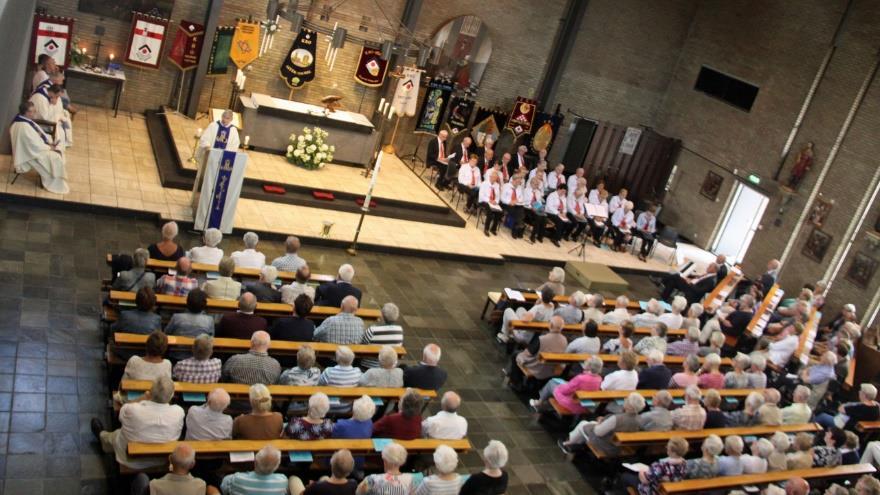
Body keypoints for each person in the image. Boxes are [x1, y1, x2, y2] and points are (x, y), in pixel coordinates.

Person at [92, 376, 184, 469]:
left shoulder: (133, 410)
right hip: (160, 459)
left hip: (129, 459)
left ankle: (101, 437)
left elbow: (122, 413)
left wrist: (143, 397)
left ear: (150, 391)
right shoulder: (179, 411)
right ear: (172, 395)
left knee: (115, 435)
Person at [558, 392, 646, 456]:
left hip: (607, 445)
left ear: (629, 405)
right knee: (591, 423)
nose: (625, 400)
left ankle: (568, 444)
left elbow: (598, 432)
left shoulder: (616, 418)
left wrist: (600, 423)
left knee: (583, 424)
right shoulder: (640, 418)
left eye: (627, 399)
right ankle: (575, 443)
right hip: (617, 444)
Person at [10, 100, 69, 193]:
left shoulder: (23, 119)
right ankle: (56, 183)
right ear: (26, 112)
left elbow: (35, 136)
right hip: (30, 154)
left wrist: (49, 143)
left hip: (34, 148)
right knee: (56, 157)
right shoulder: (23, 126)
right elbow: (34, 145)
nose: (35, 113)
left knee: (58, 148)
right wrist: (49, 147)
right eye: (32, 111)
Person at [530, 356, 603, 414]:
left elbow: (565, 390)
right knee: (557, 384)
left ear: (589, 366)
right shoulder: (599, 378)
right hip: (584, 404)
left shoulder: (581, 378)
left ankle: (539, 403)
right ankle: (545, 404)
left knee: (551, 383)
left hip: (573, 403)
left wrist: (561, 385)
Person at [510, 316, 568, 384]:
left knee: (516, 354)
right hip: (549, 369)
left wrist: (524, 352)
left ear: (551, 325)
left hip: (536, 367)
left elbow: (528, 353)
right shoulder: (565, 340)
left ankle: (515, 381)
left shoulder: (542, 339)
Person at [134, 443, 206, 495]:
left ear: (170, 459)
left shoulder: (154, 485)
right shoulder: (201, 485)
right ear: (192, 465)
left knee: (141, 478)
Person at [219, 445, 290, 495]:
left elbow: (223, 487)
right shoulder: (283, 481)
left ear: (255, 462)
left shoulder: (237, 479)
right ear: (277, 467)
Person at [660, 255, 727, 304]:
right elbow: (699, 280)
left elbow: (699, 291)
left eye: (709, 267)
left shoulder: (711, 281)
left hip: (691, 291)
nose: (707, 267)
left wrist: (690, 282)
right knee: (673, 281)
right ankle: (663, 298)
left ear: (714, 270)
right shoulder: (710, 275)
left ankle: (662, 281)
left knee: (676, 276)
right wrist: (691, 279)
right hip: (692, 285)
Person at [360, 303, 403, 368]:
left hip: (369, 365)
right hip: (388, 366)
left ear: (382, 315)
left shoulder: (372, 330)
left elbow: (363, 344)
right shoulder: (399, 330)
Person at [30, 83, 73, 148]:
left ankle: (63, 144)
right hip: (40, 122)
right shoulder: (41, 98)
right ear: (52, 92)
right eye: (56, 96)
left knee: (64, 119)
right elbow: (44, 117)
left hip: (46, 120)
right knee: (61, 132)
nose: (57, 98)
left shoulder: (48, 91)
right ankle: (57, 148)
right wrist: (52, 104)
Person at [478, 171, 503, 236]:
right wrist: (489, 200)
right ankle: (486, 228)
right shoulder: (484, 183)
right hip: (484, 201)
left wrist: (496, 201)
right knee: (490, 211)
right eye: (493, 177)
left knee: (499, 212)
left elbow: (498, 196)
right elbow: (481, 195)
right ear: (490, 177)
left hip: (493, 202)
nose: (494, 179)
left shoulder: (497, 185)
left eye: (495, 178)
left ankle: (493, 229)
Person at [502, 174, 526, 238]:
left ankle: (516, 227)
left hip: (516, 204)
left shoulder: (519, 187)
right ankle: (519, 227)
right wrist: (510, 202)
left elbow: (521, 198)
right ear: (513, 180)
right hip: (506, 204)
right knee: (517, 211)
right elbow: (502, 198)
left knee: (520, 208)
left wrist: (516, 201)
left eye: (519, 182)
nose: (518, 183)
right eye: (517, 182)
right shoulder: (506, 186)